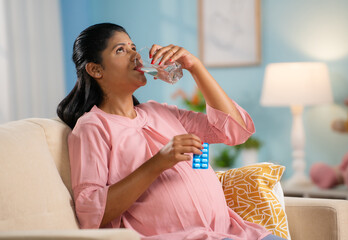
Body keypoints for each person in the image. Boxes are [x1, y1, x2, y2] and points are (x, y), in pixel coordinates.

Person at [57, 23, 286, 240]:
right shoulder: (92, 127)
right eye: (121, 50)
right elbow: (90, 213)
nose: (136, 56)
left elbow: (237, 131)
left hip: (233, 232)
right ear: (96, 70)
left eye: (134, 47)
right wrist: (158, 162)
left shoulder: (160, 111)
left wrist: (195, 67)